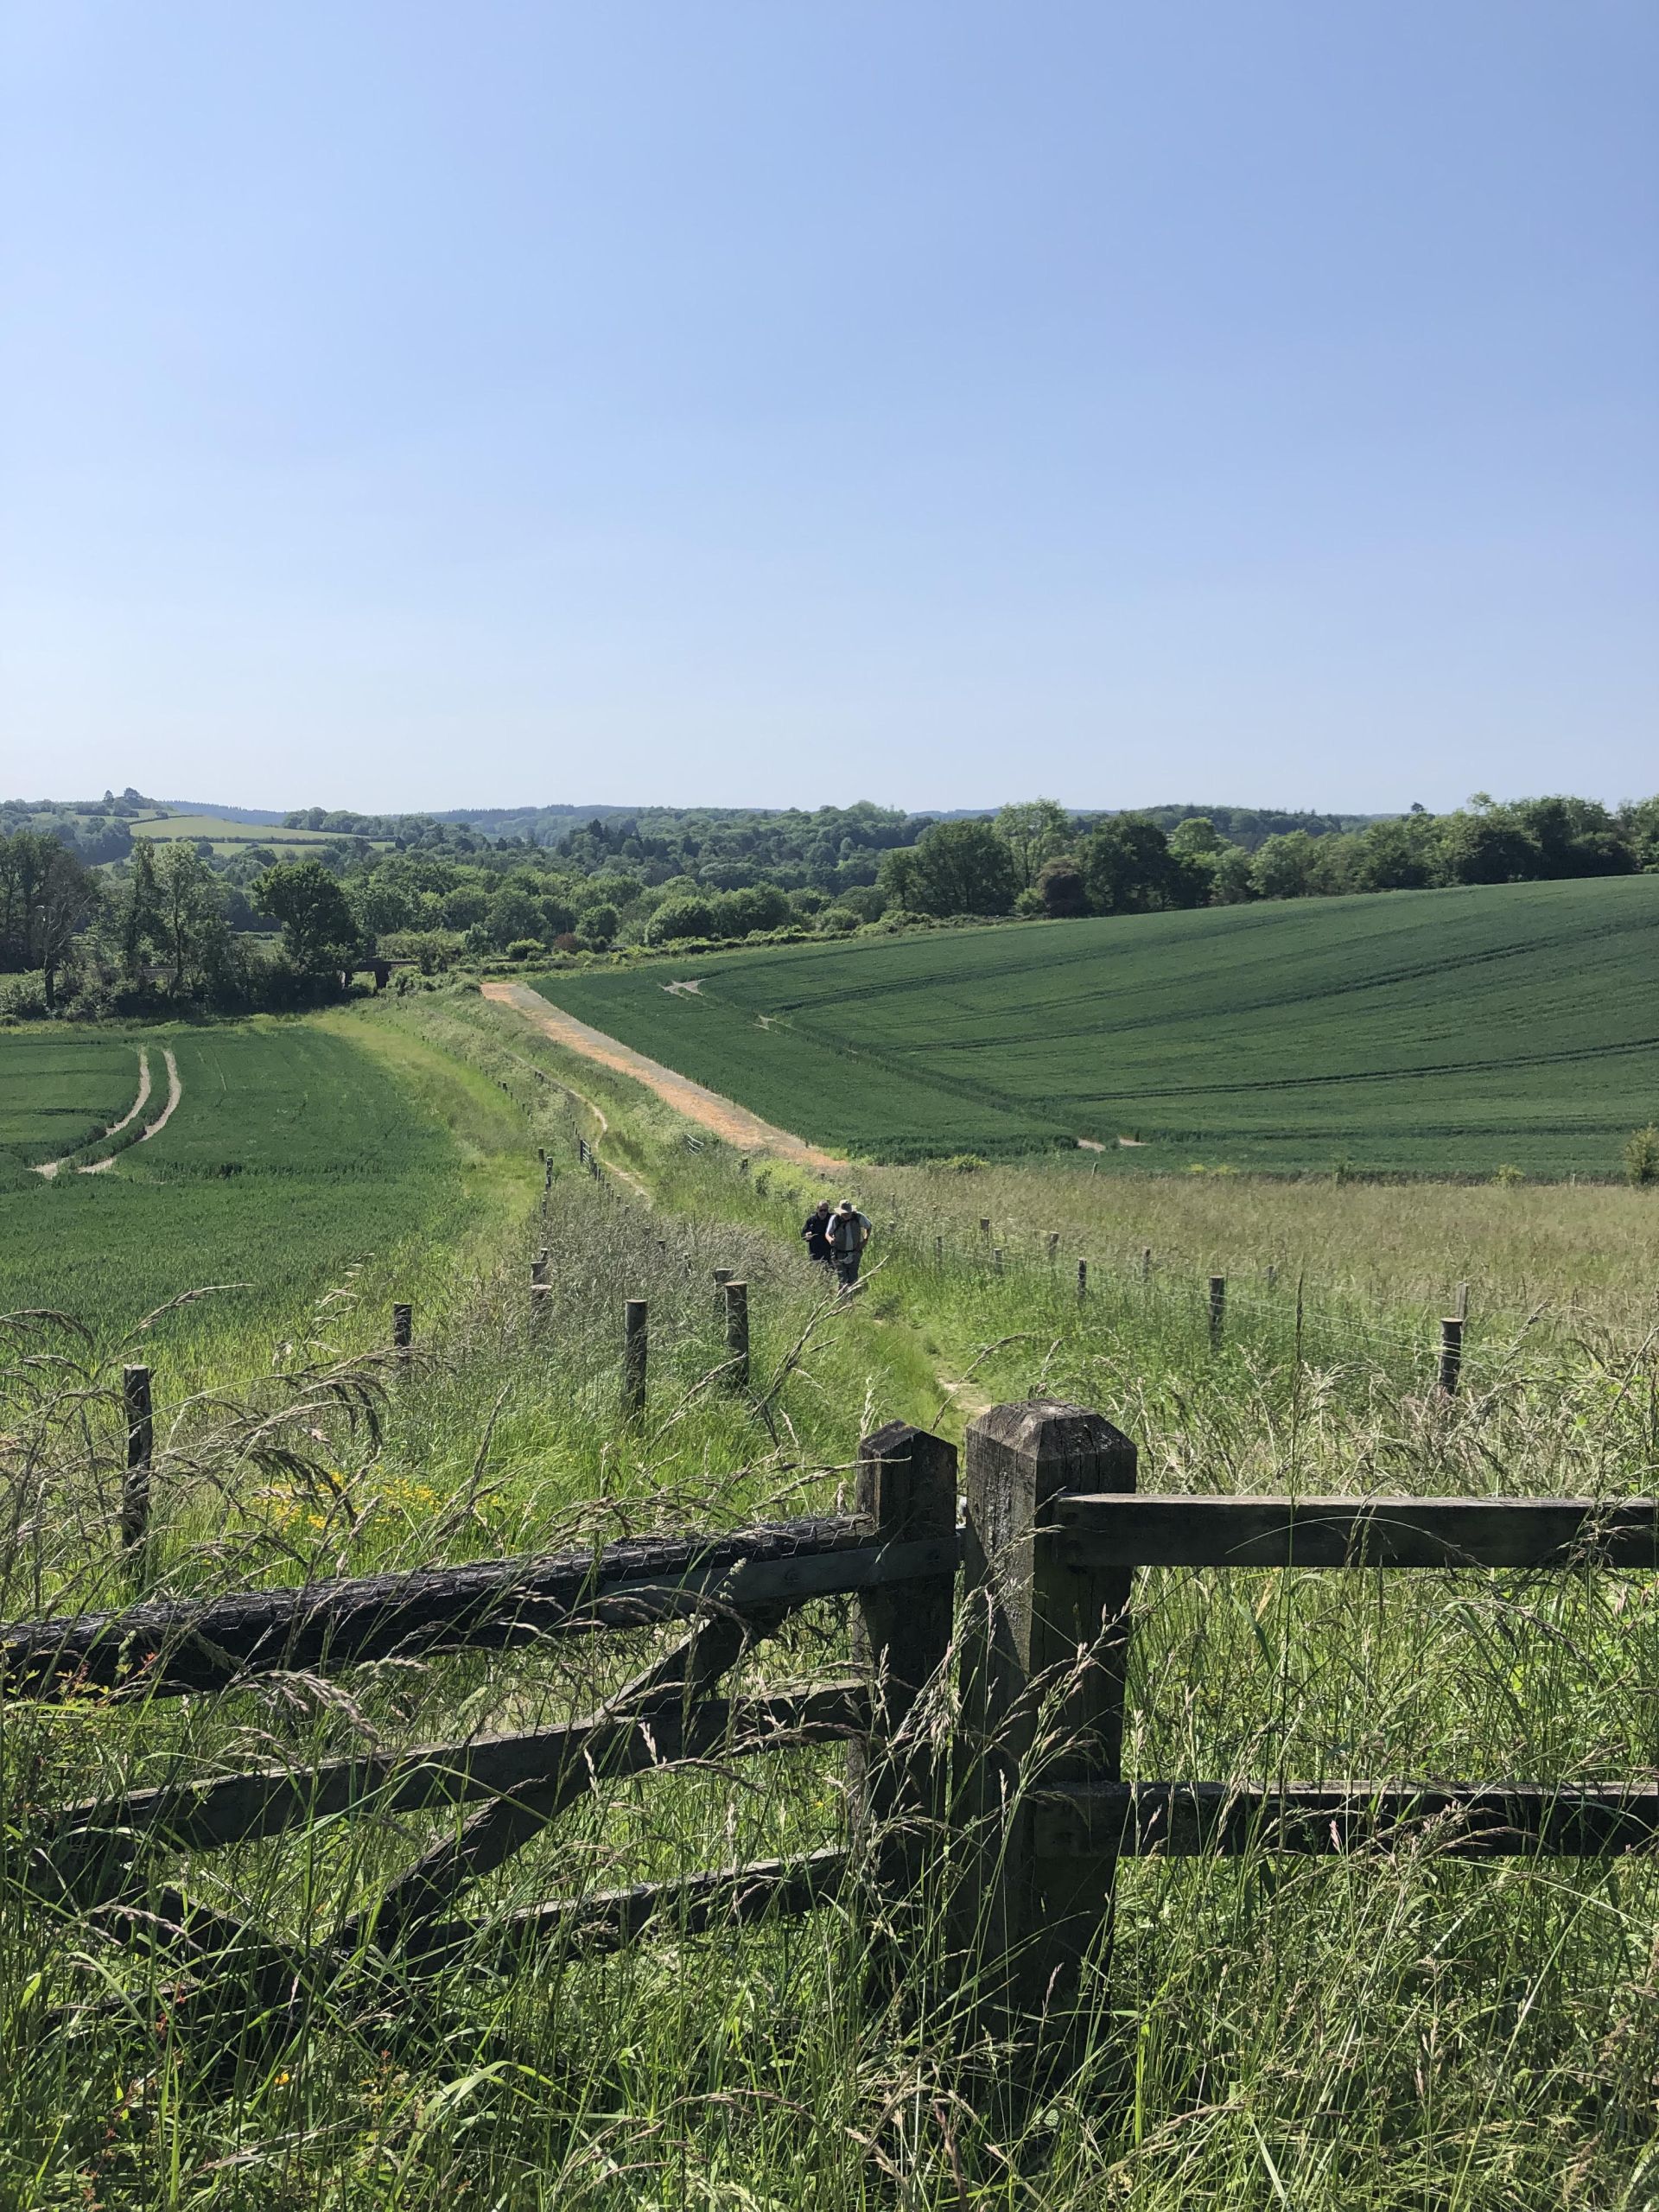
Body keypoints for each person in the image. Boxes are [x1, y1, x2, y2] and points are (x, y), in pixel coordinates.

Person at [826, 1198, 873, 1291]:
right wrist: (831, 1240)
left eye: (848, 1212)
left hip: (855, 1253)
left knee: (853, 1278)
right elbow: (828, 1234)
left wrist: (865, 1240)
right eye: (844, 1213)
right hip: (839, 1254)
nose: (846, 1215)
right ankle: (843, 1299)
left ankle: (852, 1299)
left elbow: (869, 1226)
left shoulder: (858, 1217)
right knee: (842, 1280)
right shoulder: (835, 1219)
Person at [801, 1198, 834, 1269]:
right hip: (815, 1252)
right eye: (821, 1210)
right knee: (817, 1273)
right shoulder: (811, 1220)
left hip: (829, 1252)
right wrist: (806, 1236)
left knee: (830, 1273)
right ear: (817, 1209)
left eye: (825, 1210)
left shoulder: (832, 1219)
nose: (823, 1212)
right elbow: (803, 1235)